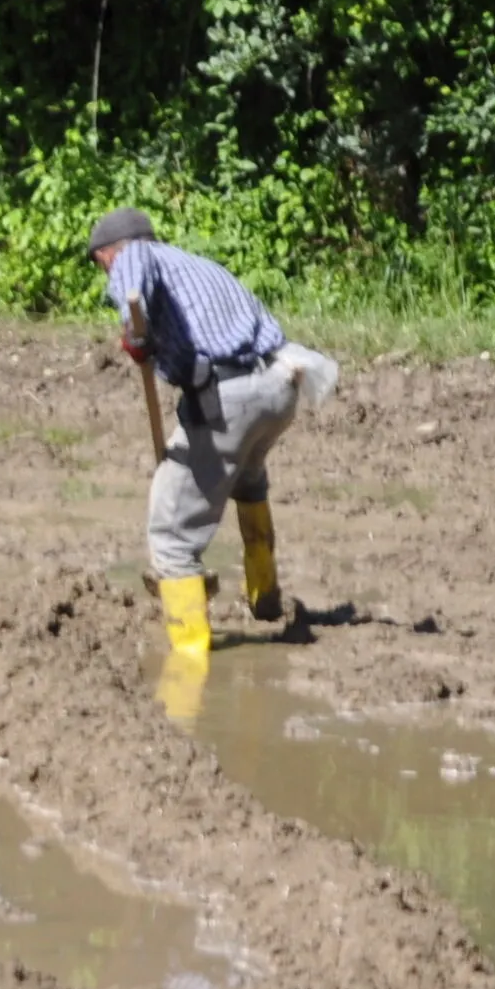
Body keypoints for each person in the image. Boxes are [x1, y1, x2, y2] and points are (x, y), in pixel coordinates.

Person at [85, 206, 333, 662]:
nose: (106, 272)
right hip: (278, 388)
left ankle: (190, 653)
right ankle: (265, 595)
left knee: (172, 529)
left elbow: (132, 274)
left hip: (229, 396)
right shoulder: (199, 267)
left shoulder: (137, 257)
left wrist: (131, 322)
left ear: (108, 253)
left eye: (101, 263)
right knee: (246, 478)